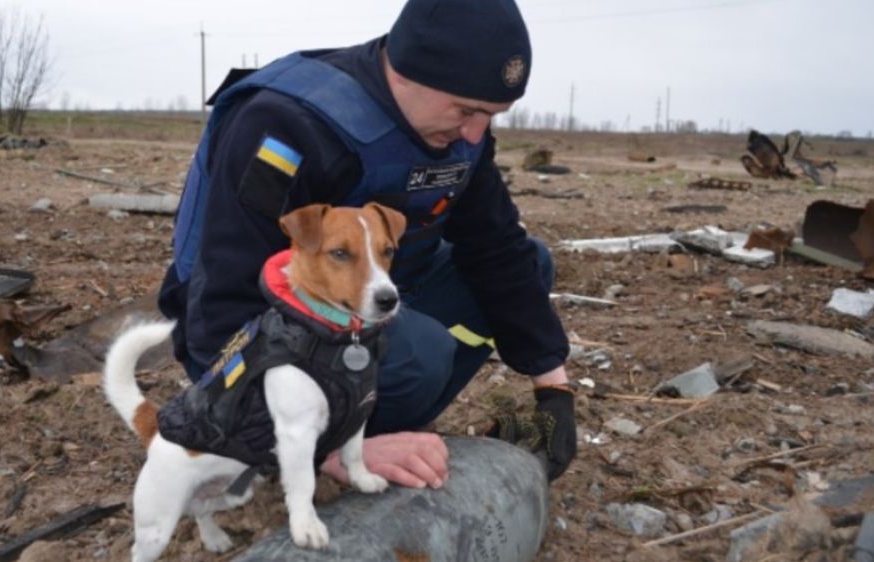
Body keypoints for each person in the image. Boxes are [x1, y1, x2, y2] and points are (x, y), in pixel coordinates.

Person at [158, 0, 577, 489]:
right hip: (253, 333)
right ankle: (322, 441)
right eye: (467, 110)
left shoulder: (459, 136)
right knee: (422, 353)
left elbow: (497, 247)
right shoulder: (288, 124)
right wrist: (328, 454)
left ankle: (383, 422)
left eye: (492, 115)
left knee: (532, 265)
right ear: (407, 73)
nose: (475, 132)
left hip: (374, 297)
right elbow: (225, 301)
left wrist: (555, 393)